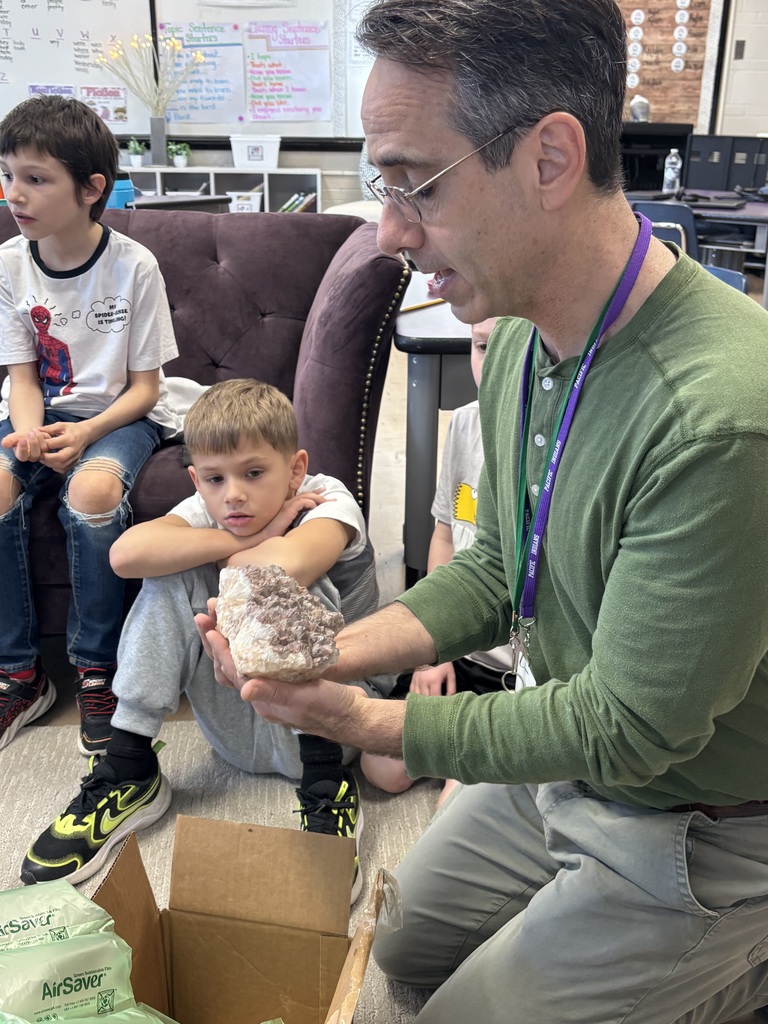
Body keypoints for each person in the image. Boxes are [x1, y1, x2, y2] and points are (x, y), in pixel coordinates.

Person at [196, 1, 768, 1022]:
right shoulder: (512, 341)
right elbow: (504, 569)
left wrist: (374, 722)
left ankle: (737, 960)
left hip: (701, 817)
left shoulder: (722, 418)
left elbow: (634, 726)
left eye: (414, 184)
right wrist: (333, 651)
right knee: (402, 947)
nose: (389, 231)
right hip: (568, 761)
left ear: (550, 157)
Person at [22, 379, 390, 901]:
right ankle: (129, 766)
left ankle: (327, 784)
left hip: (338, 720)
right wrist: (259, 533)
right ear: (196, 479)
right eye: (214, 479)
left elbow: (282, 565)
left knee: (279, 582)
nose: (234, 494)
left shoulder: (328, 499)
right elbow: (125, 554)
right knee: (169, 571)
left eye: (255, 473)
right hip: (238, 721)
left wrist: (256, 546)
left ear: (297, 469)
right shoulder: (215, 506)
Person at [0, 95, 179, 757]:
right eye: (8, 174)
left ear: (91, 188)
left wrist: (82, 436)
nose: (14, 193)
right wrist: (26, 434)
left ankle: (96, 669)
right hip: (37, 417)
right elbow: (21, 378)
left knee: (94, 496)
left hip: (118, 417)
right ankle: (19, 674)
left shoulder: (134, 267)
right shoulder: (10, 265)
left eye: (35, 178)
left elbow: (145, 390)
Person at [361, 317, 513, 804]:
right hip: (458, 646)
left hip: (515, 672)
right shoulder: (467, 423)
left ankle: (463, 757)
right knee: (380, 767)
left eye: (508, 348)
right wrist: (436, 649)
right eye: (482, 346)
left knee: (457, 803)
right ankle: (456, 749)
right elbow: (445, 534)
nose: (493, 367)